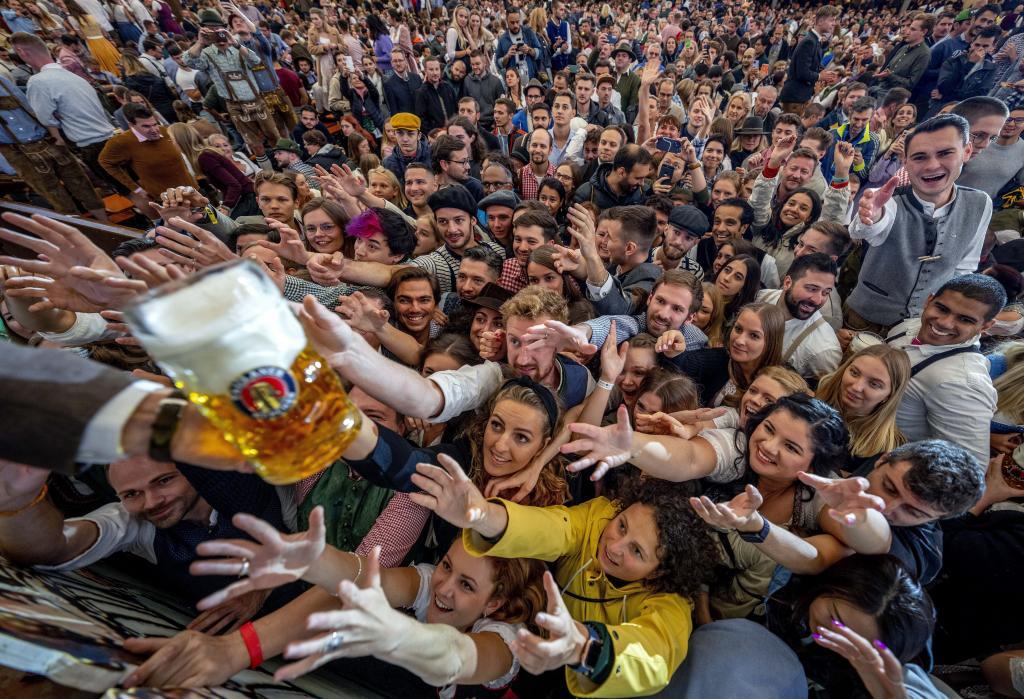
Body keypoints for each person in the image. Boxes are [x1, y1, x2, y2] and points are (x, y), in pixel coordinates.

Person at [0, 454, 299, 625]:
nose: (152, 501)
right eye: (131, 494)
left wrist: (263, 585)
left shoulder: (266, 484)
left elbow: (334, 543)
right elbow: (54, 548)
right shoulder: (138, 524)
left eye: (164, 481)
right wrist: (18, 500)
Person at [846, 114, 992, 333]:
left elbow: (964, 267)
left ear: (967, 152)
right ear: (906, 161)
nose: (932, 165)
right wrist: (870, 216)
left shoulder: (980, 203)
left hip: (920, 325)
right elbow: (866, 228)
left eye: (945, 153)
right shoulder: (890, 199)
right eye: (920, 157)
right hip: (865, 319)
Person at [885, 273, 1006, 465]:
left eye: (965, 320)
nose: (944, 323)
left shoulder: (961, 383)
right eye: (941, 308)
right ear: (929, 300)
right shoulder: (911, 325)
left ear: (986, 326)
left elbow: (968, 467)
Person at [0, 72, 106, 221]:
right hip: (20, 150)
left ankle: (105, 225)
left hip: (44, 140)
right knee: (58, 196)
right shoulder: (3, 81)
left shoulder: (3, 81)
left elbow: (31, 107)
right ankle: (90, 231)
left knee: (80, 186)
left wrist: (54, 134)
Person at [186, 9, 278, 170]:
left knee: (274, 136)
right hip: (235, 105)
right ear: (203, 29)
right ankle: (270, 172)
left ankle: (285, 166)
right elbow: (189, 61)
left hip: (255, 99)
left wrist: (234, 43)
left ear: (225, 28)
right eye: (211, 28)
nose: (216, 33)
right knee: (255, 144)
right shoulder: (206, 53)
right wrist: (200, 42)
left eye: (218, 28)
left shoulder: (237, 45)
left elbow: (255, 61)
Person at [816, 345, 911, 472]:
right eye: (854, 373)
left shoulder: (886, 452)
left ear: (889, 396)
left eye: (874, 384)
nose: (857, 387)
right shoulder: (816, 393)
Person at [99, 104, 199, 218]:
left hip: (193, 191)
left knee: (213, 224)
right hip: (168, 202)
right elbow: (105, 162)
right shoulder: (121, 142)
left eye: (155, 124)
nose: (154, 130)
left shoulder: (165, 131)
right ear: (132, 125)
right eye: (146, 126)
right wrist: (136, 189)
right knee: (191, 232)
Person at [755, 253, 842, 380]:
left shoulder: (823, 350)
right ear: (787, 282)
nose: (818, 300)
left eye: (825, 292)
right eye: (812, 289)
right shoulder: (760, 297)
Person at [778, 6, 840, 114]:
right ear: (820, 21)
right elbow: (802, 73)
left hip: (800, 96)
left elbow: (811, 66)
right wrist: (821, 76)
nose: (834, 23)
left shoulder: (815, 40)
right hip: (795, 97)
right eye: (832, 20)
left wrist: (823, 72)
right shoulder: (809, 42)